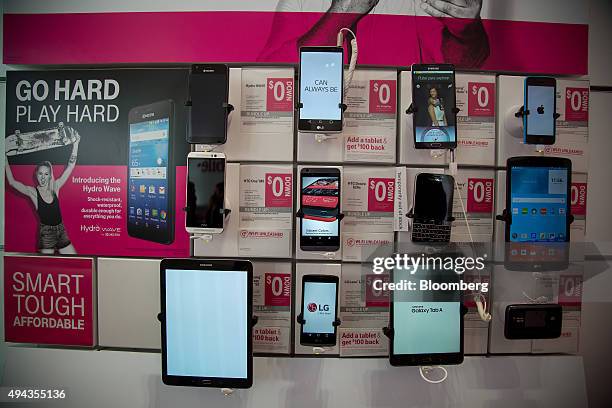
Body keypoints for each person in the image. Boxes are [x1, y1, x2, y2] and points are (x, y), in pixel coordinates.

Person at [259, 0, 489, 68]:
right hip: (316, 144)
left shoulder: (421, 3)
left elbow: (459, 68)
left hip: (402, 145)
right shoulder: (299, 2)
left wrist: (466, 32)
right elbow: (269, 75)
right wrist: (344, 12)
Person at [5, 127, 81, 254]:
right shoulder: (33, 192)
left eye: (46, 174)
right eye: (40, 174)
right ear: (36, 175)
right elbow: (12, 182)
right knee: (45, 266)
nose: (43, 177)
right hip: (46, 234)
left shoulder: (56, 187)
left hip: (61, 231)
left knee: (75, 261)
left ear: (50, 175)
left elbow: (71, 166)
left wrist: (76, 144)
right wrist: (4, 158)